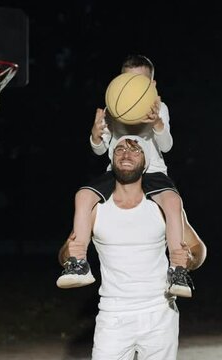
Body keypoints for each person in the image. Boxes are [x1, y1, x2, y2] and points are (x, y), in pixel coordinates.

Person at [57, 55, 196, 297]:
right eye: (128, 81)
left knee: (173, 202)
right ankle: (78, 262)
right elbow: (100, 150)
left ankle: (178, 269)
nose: (132, 88)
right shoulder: (114, 107)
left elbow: (167, 146)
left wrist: (158, 126)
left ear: (152, 85)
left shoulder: (159, 108)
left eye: (139, 82)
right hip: (117, 171)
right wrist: (96, 136)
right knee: (83, 195)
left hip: (152, 171)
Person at [58, 135, 207, 360]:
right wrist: (70, 253)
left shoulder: (162, 207)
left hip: (160, 313)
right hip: (113, 315)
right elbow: (65, 253)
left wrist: (190, 260)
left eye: (135, 150)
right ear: (112, 160)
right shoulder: (95, 208)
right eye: (119, 150)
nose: (126, 154)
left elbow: (197, 248)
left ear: (146, 162)